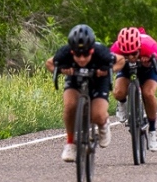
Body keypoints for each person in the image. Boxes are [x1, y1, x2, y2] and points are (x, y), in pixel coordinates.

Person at [47, 24, 113, 163]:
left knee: (98, 115)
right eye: (77, 55)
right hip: (75, 80)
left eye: (86, 54)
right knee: (70, 105)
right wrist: (61, 70)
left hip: (99, 80)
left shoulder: (101, 52)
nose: (82, 59)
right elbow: (49, 64)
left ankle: (103, 124)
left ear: (92, 50)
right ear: (72, 52)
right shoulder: (64, 52)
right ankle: (70, 143)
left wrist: (107, 70)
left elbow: (119, 61)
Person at [111, 26, 157, 151]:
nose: (131, 57)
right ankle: (122, 103)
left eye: (134, 53)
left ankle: (152, 131)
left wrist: (150, 60)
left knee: (148, 94)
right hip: (125, 70)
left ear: (139, 47)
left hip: (147, 70)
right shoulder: (115, 48)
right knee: (119, 92)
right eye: (127, 54)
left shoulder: (149, 44)